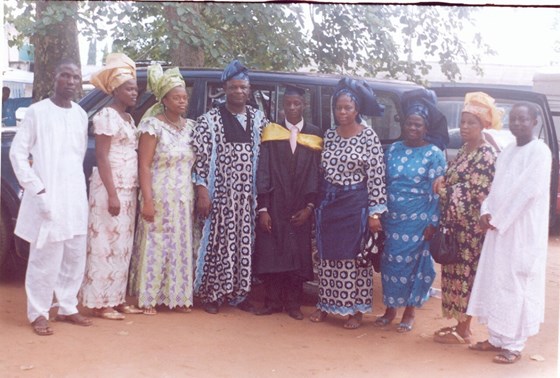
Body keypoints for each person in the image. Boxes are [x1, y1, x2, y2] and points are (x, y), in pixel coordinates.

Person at [9, 59, 92, 335]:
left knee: (74, 252)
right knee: (45, 255)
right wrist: (37, 188)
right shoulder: (37, 112)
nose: (70, 81)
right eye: (65, 76)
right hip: (47, 194)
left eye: (75, 77)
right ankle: (38, 313)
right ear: (54, 79)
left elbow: (76, 156)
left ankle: (68, 306)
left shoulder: (81, 114)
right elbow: (18, 154)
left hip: (74, 194)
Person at [467, 102, 551, 364]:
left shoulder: (540, 152)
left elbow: (527, 192)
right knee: (496, 280)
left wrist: (498, 218)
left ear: (534, 121)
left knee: (516, 283)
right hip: (499, 228)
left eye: (522, 119)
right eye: (513, 119)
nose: (517, 124)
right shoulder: (508, 151)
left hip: (521, 230)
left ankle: (514, 344)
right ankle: (496, 338)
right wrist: (486, 211)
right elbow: (496, 188)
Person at [309, 78, 386, 329]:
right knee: (326, 257)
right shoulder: (329, 135)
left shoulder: (368, 137)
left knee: (353, 258)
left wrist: (375, 213)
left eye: (347, 108)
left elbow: (376, 176)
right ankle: (326, 304)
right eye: (338, 108)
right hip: (329, 205)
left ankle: (355, 311)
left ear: (357, 110)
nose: (342, 112)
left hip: (355, 205)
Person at [192, 59, 268, 314]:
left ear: (249, 90)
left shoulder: (258, 119)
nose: (239, 92)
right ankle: (213, 294)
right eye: (234, 87)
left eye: (243, 88)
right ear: (224, 88)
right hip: (220, 194)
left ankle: (239, 293)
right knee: (218, 243)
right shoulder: (209, 120)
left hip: (248, 197)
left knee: (244, 244)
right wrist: (202, 190)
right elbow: (200, 159)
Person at [375, 89, 447, 333]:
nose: (412, 128)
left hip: (419, 219)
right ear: (403, 124)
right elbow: (382, 182)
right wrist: (378, 213)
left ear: (426, 128)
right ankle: (390, 310)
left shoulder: (434, 154)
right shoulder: (393, 150)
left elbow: (438, 192)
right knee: (390, 265)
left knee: (415, 266)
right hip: (392, 218)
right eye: (409, 123)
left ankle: (409, 311)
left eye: (418, 124)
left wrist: (433, 223)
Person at [79, 53, 143, 320]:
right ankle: (99, 302)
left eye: (136, 89)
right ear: (115, 90)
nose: (134, 93)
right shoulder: (106, 115)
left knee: (122, 246)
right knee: (104, 244)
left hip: (128, 187)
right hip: (110, 188)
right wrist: (113, 194)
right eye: (129, 89)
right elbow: (102, 156)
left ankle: (116, 298)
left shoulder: (128, 119)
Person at [432, 92, 500, 344]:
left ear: (483, 124)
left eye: (471, 122)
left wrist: (445, 191)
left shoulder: (486, 155)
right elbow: (455, 178)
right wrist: (443, 179)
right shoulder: (463, 150)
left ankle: (464, 329)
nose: (464, 127)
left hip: (470, 230)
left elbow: (478, 192)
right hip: (454, 227)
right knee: (453, 275)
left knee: (467, 277)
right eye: (462, 121)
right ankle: (458, 325)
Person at [128, 64, 195, 315]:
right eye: (176, 97)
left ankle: (176, 297)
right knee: (155, 244)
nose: (182, 102)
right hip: (158, 194)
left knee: (179, 245)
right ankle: (150, 298)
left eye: (184, 97)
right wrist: (147, 199)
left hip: (182, 198)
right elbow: (143, 165)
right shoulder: (152, 126)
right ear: (164, 100)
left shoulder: (191, 128)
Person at [253, 85, 323, 320]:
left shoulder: (314, 134)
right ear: (282, 106)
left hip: (300, 205)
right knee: (272, 251)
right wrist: (263, 208)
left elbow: (316, 174)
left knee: (297, 254)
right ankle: (271, 301)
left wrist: (310, 207)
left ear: (304, 105)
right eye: (288, 104)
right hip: (274, 203)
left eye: (297, 103)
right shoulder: (272, 132)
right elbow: (263, 171)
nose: (292, 108)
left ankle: (293, 304)